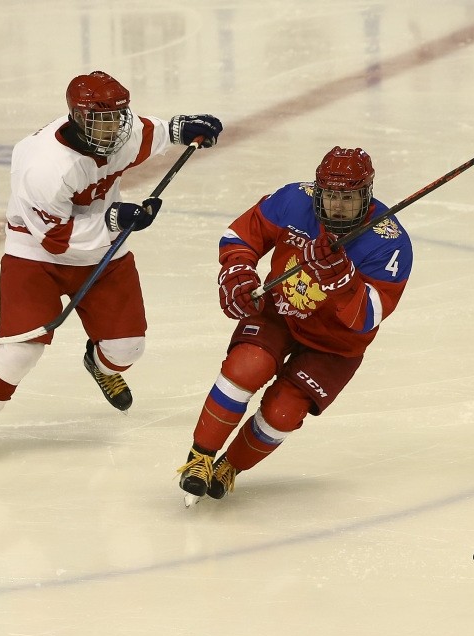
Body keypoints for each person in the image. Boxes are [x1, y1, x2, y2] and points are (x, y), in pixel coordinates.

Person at [0, 70, 223, 465]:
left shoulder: (119, 132)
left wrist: (183, 129)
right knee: (20, 352)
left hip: (101, 250)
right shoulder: (43, 166)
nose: (113, 127)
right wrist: (115, 220)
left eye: (117, 117)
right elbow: (54, 239)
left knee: (128, 348)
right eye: (102, 119)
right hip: (36, 254)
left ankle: (96, 363)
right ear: (77, 117)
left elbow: (148, 134)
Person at [177, 146, 413, 501]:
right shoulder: (294, 200)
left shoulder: (389, 243)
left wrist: (340, 279)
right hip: (280, 312)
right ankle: (200, 457)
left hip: (336, 344)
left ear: (366, 195)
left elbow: (366, 318)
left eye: (348, 198)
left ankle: (230, 466)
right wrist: (237, 270)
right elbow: (242, 235)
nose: (337, 206)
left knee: (282, 413)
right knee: (245, 368)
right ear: (318, 191)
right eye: (330, 195)